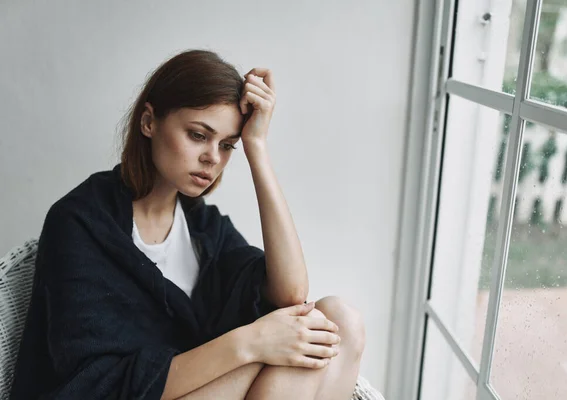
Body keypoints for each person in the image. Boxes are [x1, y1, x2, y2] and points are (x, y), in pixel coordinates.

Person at [9, 49, 365, 400]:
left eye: (227, 145)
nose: (213, 157)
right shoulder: (79, 222)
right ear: (148, 122)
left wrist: (256, 146)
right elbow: (98, 385)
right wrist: (249, 344)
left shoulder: (201, 225)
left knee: (339, 320)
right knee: (285, 355)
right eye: (198, 135)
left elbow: (290, 295)